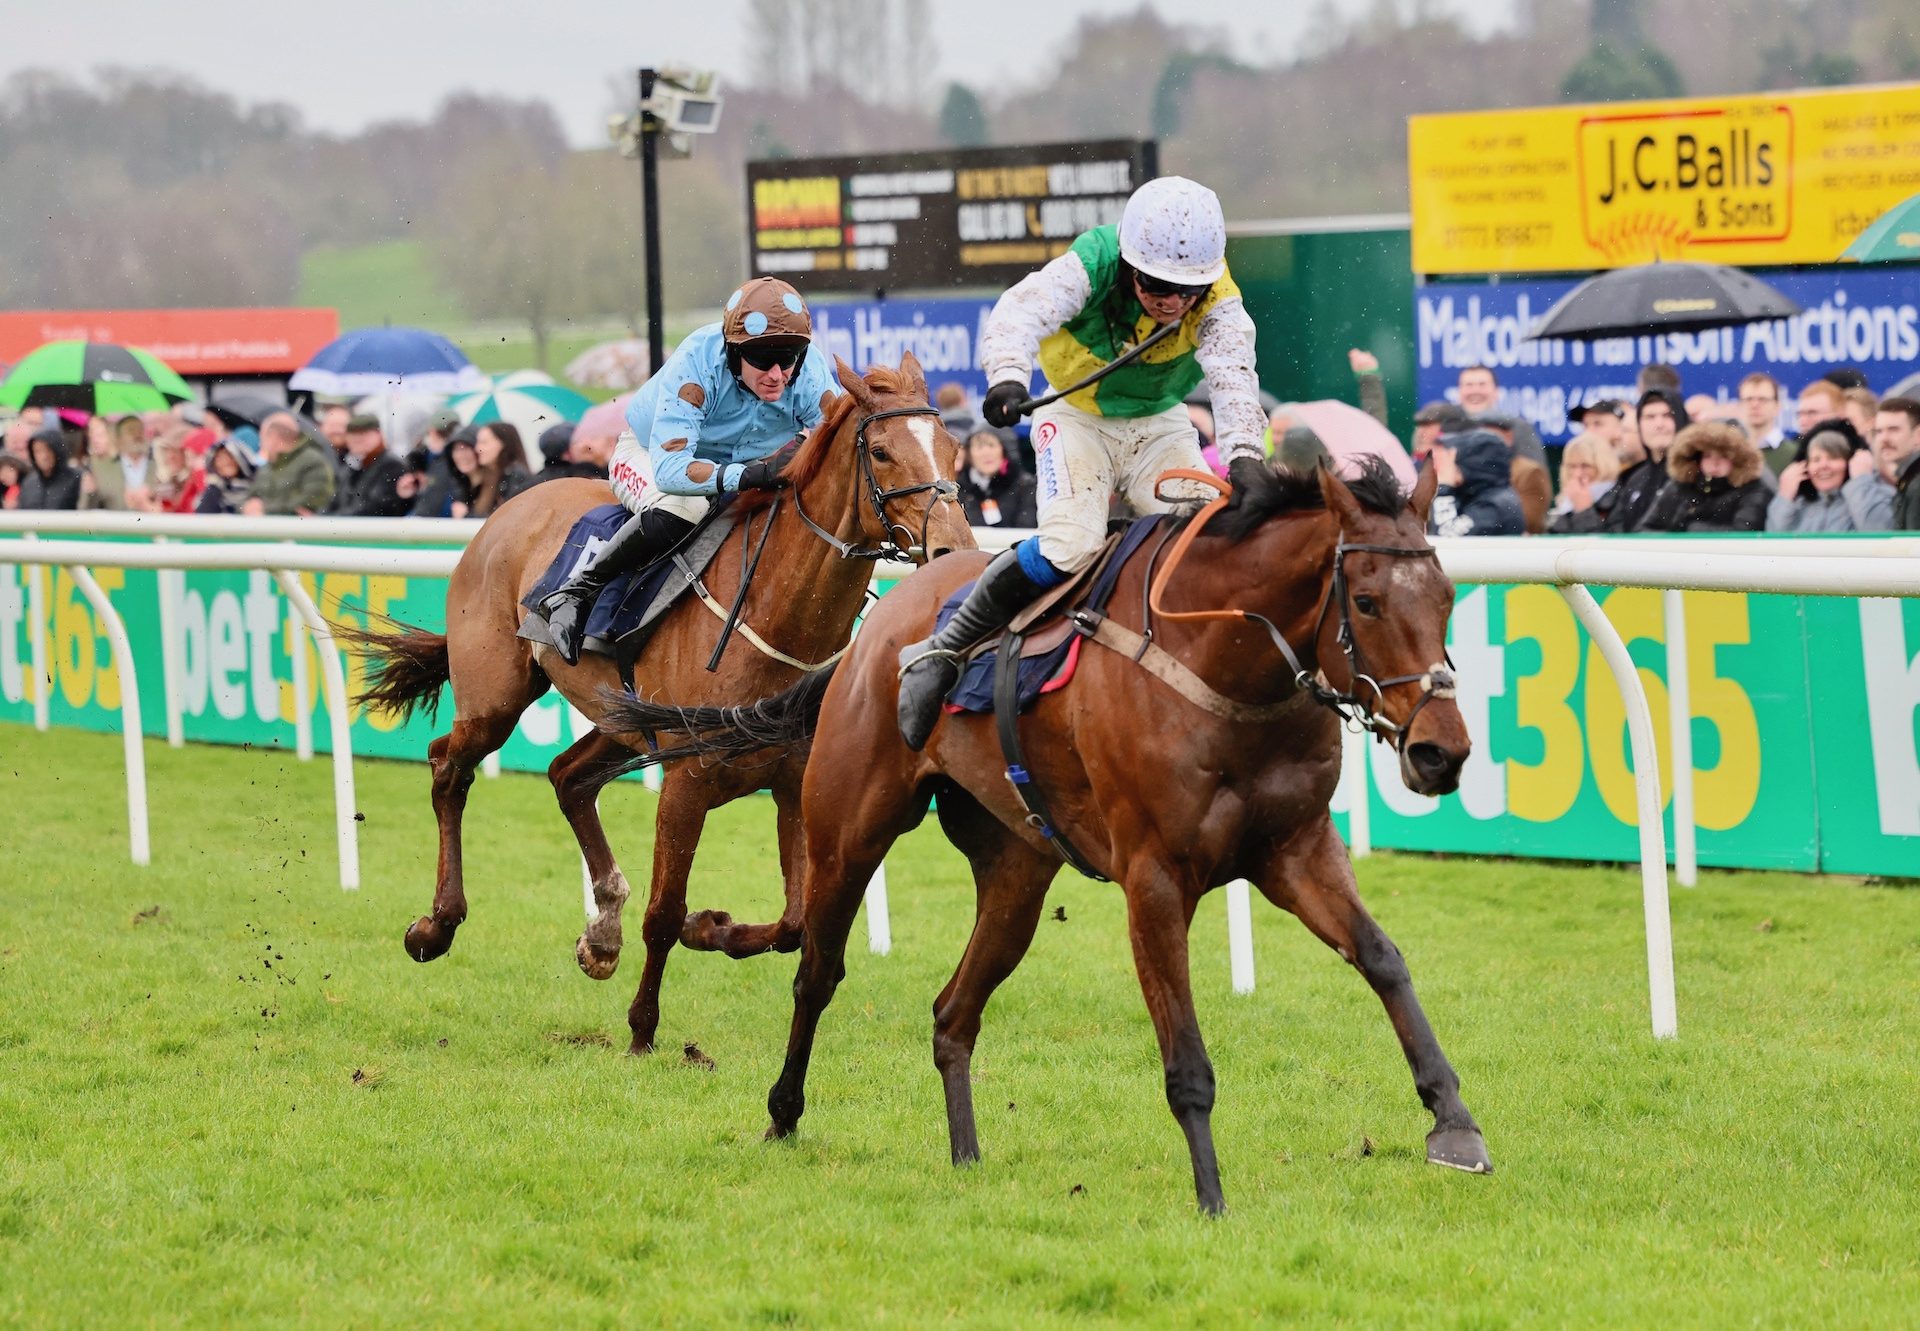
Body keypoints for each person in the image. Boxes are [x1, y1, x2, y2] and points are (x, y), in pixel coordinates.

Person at [895, 176, 1265, 749]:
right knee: (1072, 543)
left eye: (1186, 289)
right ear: (1130, 262)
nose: (1170, 300)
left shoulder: (1222, 302)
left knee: (1207, 539)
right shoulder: (1093, 260)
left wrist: (1245, 458)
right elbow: (1018, 313)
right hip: (1073, 416)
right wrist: (1009, 376)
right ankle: (944, 648)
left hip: (1160, 422)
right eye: (1156, 283)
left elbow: (1235, 383)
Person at [535, 276, 842, 664]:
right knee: (687, 508)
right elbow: (671, 470)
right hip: (649, 454)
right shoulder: (699, 360)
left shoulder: (808, 370)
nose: (778, 374)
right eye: (763, 361)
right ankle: (577, 592)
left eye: (789, 358)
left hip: (738, 465)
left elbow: (840, 436)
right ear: (733, 353)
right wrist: (749, 476)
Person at [1557, 389, 1689, 533]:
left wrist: (1583, 511)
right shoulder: (1636, 479)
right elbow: (1616, 538)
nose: (1659, 424)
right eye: (1650, 417)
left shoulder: (1692, 474)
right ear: (1640, 424)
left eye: (1667, 415)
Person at [1639, 421, 1770, 533]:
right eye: (1708, 456)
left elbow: (1743, 533)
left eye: (1724, 456)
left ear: (1738, 460)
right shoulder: (1678, 487)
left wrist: (1692, 528)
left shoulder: (1752, 490)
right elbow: (1645, 530)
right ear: (1697, 458)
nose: (1715, 463)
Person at [1426, 427, 1524, 537]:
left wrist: (1443, 488)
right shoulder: (1473, 493)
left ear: (1468, 466)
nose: (1442, 466)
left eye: (1451, 460)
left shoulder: (1493, 506)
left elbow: (1446, 539)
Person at [1767, 426, 1861, 532]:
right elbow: (1773, 538)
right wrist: (1784, 496)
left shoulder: (1858, 503)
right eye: (1816, 460)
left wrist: (1861, 483)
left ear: (1849, 463)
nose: (1823, 465)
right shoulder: (1799, 507)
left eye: (1833, 458)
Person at [242, 412, 337, 516]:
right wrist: (248, 506)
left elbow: (313, 501)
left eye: (262, 437)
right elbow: (250, 498)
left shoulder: (313, 461)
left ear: (273, 437)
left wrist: (264, 510)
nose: (260, 443)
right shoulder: (267, 466)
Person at [1455, 365, 1545, 465]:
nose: (1475, 391)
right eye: (1469, 385)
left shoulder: (1517, 427)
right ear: (1459, 391)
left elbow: (1535, 474)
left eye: (1482, 384)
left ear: (1496, 392)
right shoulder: (1447, 427)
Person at [328, 415, 412, 518]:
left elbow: (376, 508)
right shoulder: (350, 467)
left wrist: (332, 519)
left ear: (378, 435)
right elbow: (335, 502)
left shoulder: (392, 466)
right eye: (353, 435)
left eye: (364, 434)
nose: (357, 439)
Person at [955, 426, 1037, 529]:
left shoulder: (1026, 486)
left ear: (1005, 450)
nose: (986, 453)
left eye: (991, 445)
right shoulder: (958, 489)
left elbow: (1027, 528)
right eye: (979, 447)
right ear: (969, 454)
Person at [1547, 432, 1620, 532]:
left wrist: (1583, 510)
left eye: (1585, 466)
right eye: (1572, 466)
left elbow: (1607, 543)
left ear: (1603, 465)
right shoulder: (1567, 502)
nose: (1577, 474)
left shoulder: (1619, 498)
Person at [467, 422, 534, 519]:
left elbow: (509, 519)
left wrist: (465, 516)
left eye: (484, 442)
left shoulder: (515, 476)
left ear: (503, 444)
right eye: (478, 442)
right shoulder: (488, 476)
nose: (477, 448)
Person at [1872, 397, 1920, 531]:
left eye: (1893, 429)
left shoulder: (1916, 485)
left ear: (1918, 434)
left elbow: (1914, 548)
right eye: (1879, 431)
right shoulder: (1910, 479)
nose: (1884, 438)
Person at [88, 414, 152, 511]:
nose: (137, 434)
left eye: (140, 430)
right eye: (131, 430)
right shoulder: (101, 469)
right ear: (118, 440)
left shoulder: (160, 465)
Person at [19, 427, 82, 510]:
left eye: (48, 450)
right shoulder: (29, 483)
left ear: (57, 451)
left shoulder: (76, 479)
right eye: (38, 451)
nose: (44, 456)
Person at [1736, 372, 1789, 462]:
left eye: (1762, 399)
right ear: (1739, 405)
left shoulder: (1793, 453)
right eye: (1748, 399)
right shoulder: (1730, 452)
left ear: (1777, 407)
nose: (1755, 405)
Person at [196, 439, 256, 514]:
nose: (225, 462)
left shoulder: (258, 483)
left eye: (230, 456)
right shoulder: (215, 489)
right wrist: (214, 487)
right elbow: (203, 515)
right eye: (219, 458)